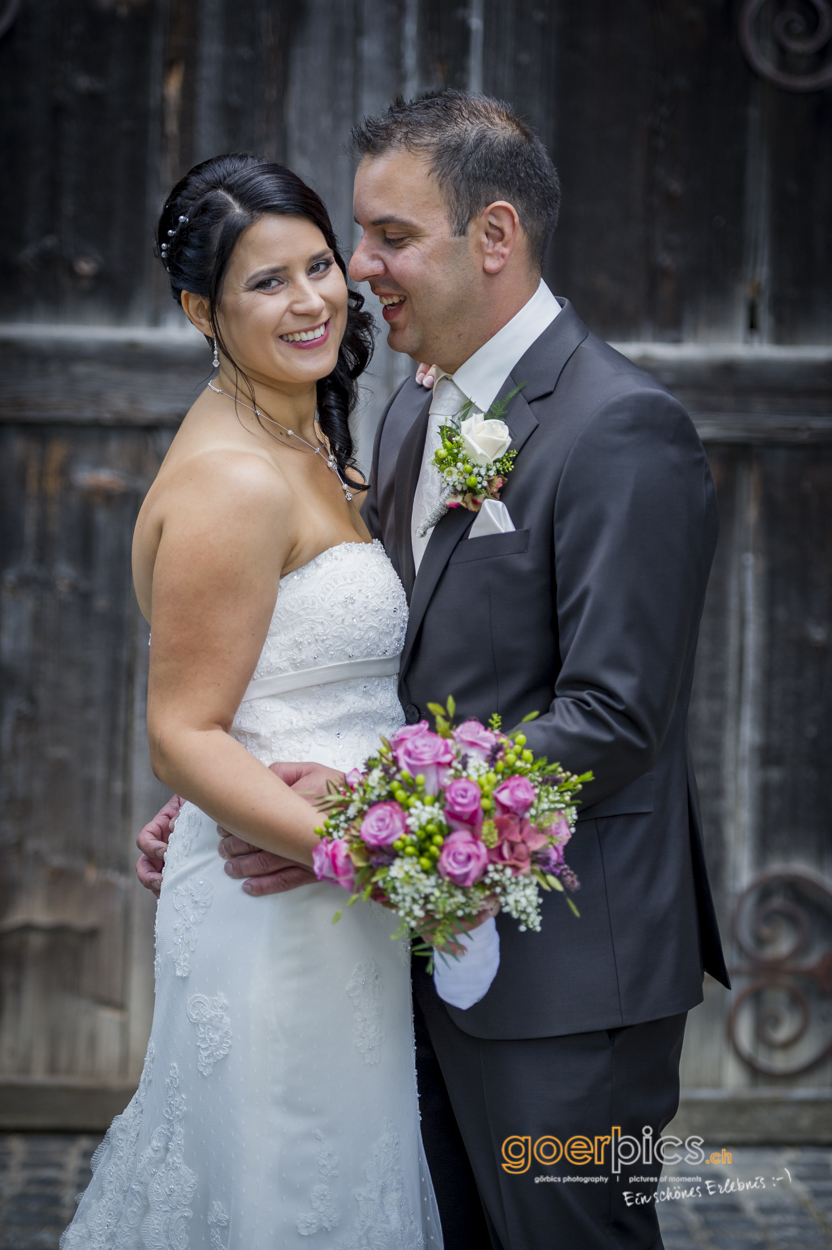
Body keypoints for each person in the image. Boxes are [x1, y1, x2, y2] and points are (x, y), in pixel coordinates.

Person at [138, 91, 730, 1250]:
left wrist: (359, 823)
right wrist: (233, 786)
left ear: (493, 237)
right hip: (406, 946)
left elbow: (611, 716)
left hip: (569, 972)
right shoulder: (408, 412)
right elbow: (384, 670)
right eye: (348, 240)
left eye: (386, 238)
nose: (356, 273)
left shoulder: (621, 426)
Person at [64, 154, 442, 1249]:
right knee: (288, 1191)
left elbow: (258, 693)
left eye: (320, 264)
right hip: (284, 901)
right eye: (266, 282)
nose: (314, 298)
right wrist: (374, 847)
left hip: (322, 886)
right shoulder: (234, 476)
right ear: (201, 308)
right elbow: (183, 732)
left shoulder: (304, 431)